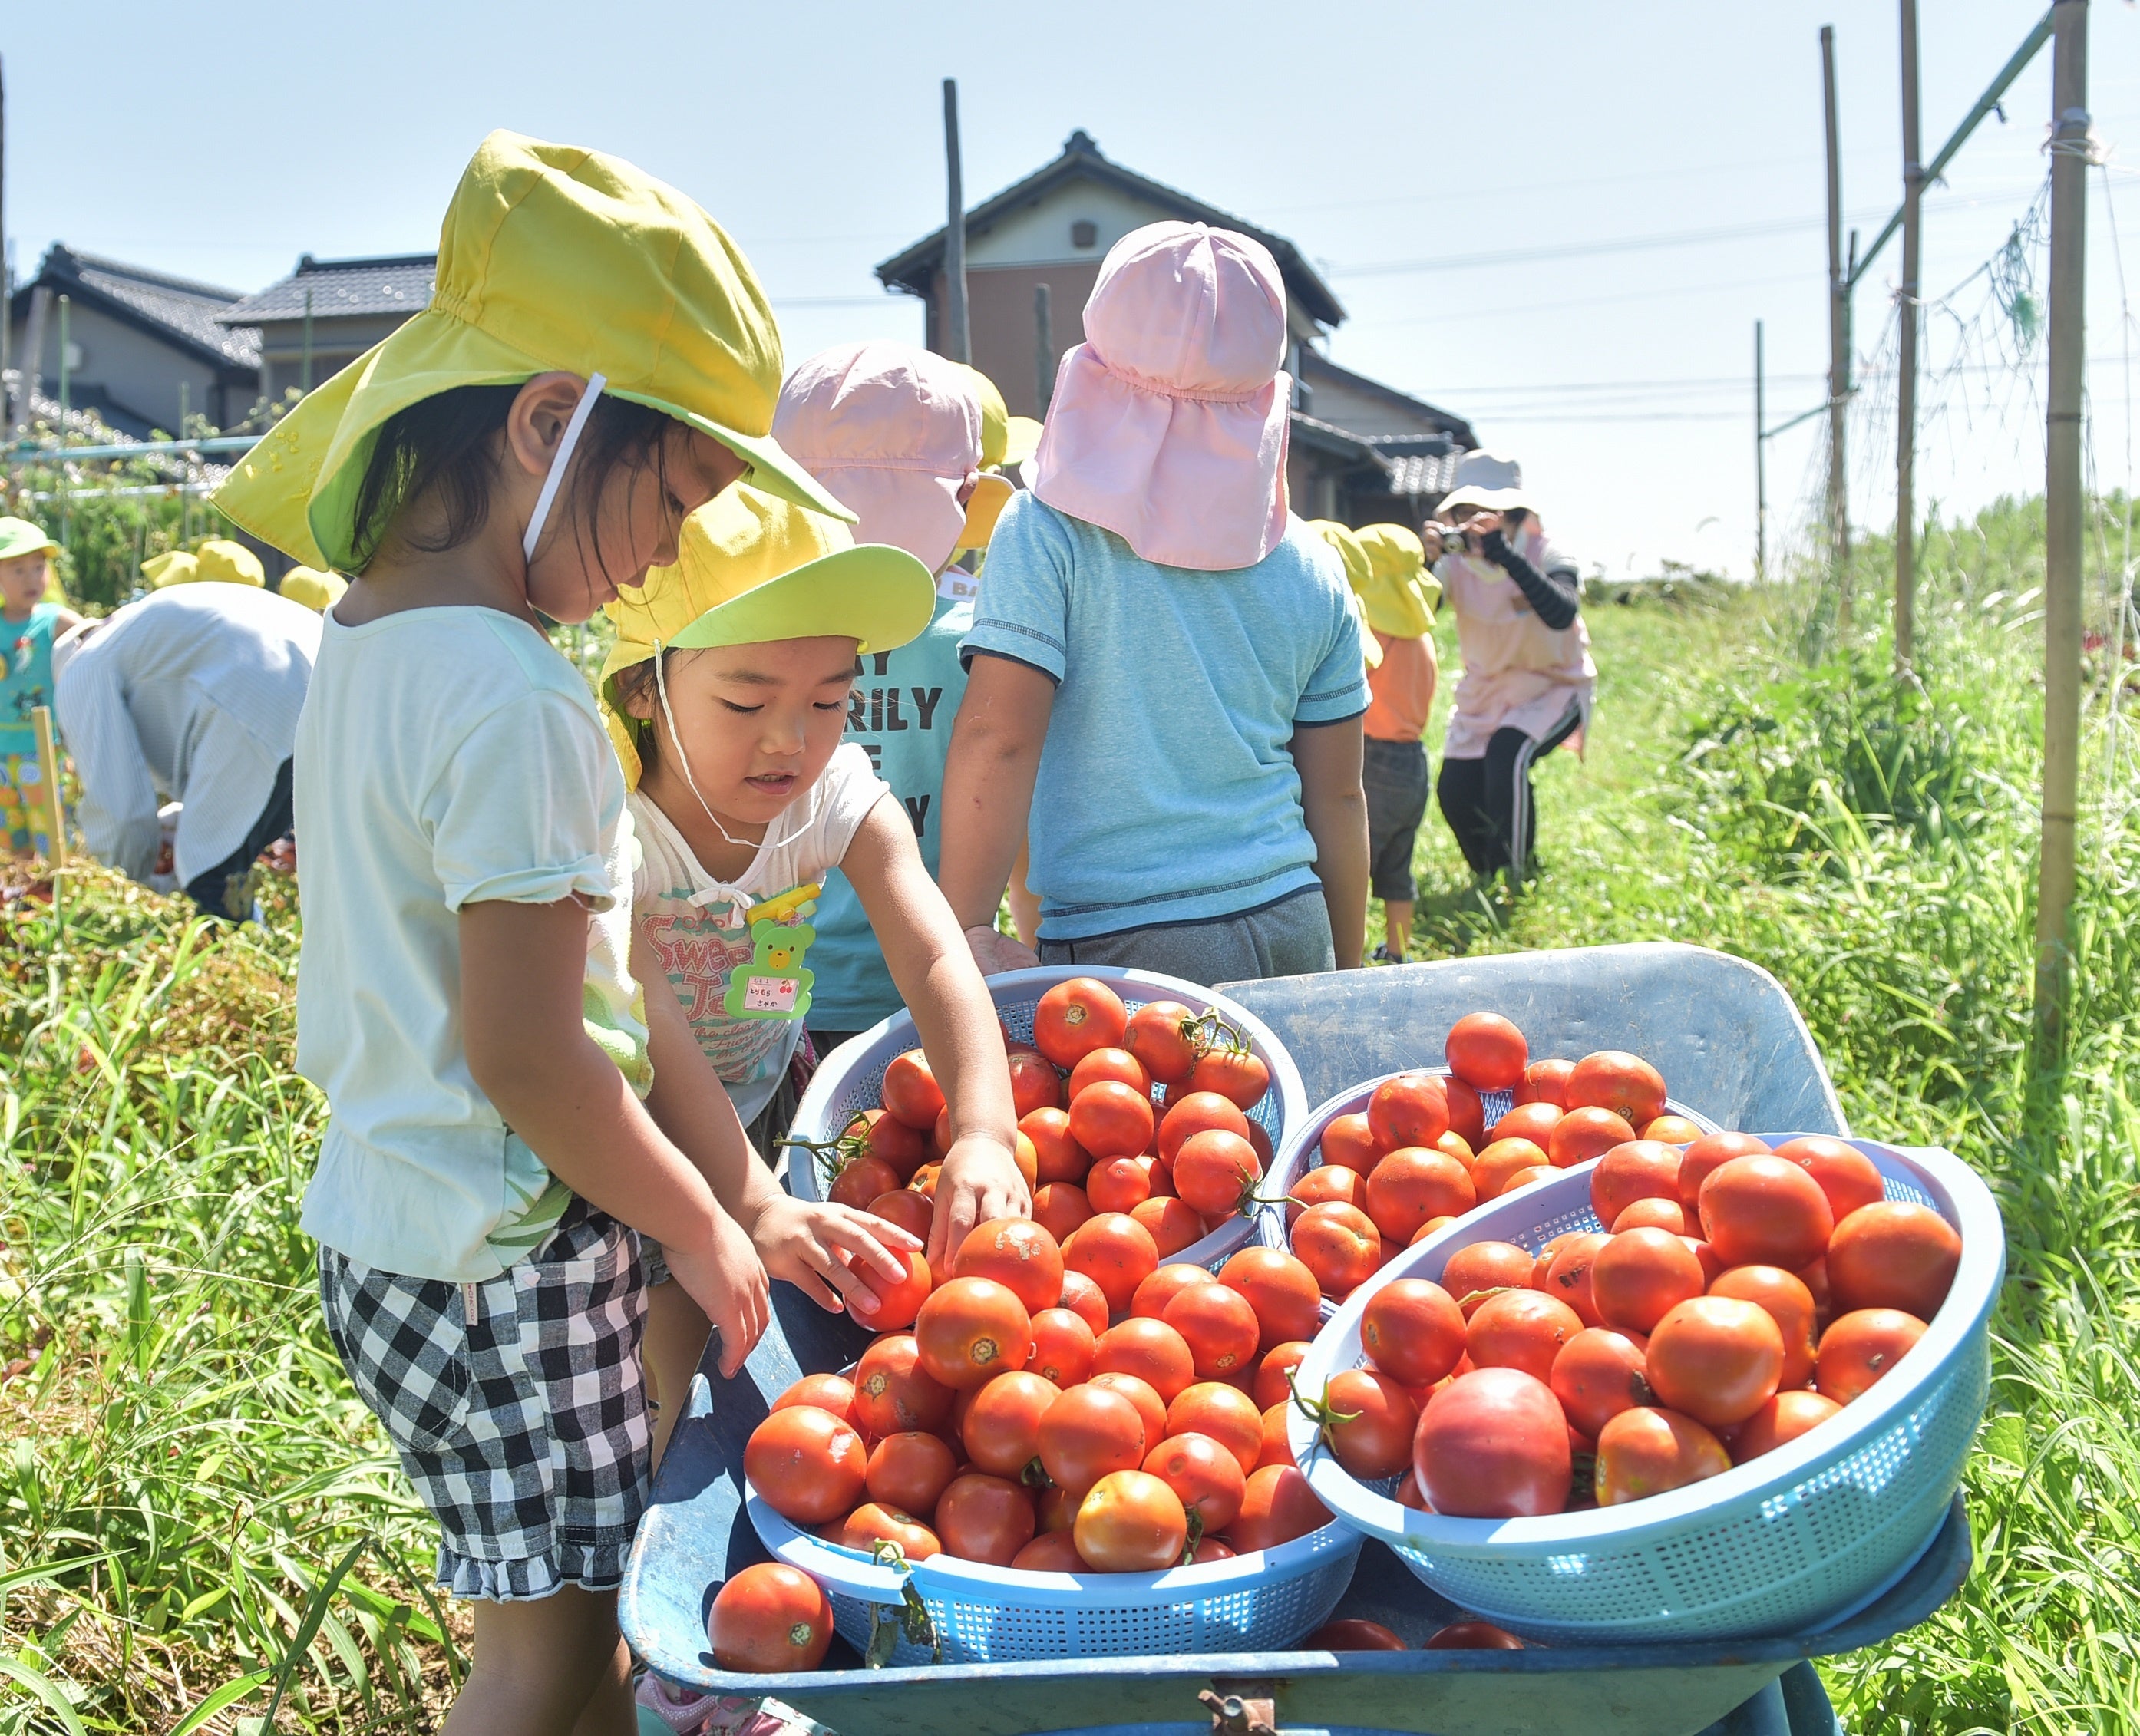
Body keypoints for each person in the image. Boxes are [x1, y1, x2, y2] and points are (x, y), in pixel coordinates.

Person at [210, 131, 900, 1736]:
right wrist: (694, 1226)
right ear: (545, 424)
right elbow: (528, 1056)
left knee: (570, 1642)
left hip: (408, 1227)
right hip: (505, 1257)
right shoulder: (520, 697)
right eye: (673, 502)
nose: (668, 559)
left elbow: (601, 991)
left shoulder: (376, 638)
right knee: (548, 1666)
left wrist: (739, 1189)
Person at [599, 484, 1024, 1473]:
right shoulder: (610, 819)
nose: (791, 738)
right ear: (640, 689)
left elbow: (931, 952)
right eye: (747, 702)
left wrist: (984, 1131)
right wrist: (747, 1202)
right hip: (620, 1132)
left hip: (753, 1105)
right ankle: (643, 1514)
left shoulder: (834, 792)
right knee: (654, 1351)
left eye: (831, 701)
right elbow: (650, 1023)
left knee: (720, 1343)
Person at [937, 221, 1369, 986]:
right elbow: (1336, 793)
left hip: (1123, 944)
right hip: (1292, 914)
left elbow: (1000, 738)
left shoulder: (1047, 532)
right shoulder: (1311, 560)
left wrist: (959, 933)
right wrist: (1345, 977)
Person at [764, 341, 1013, 1054]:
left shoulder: (746, 637)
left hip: (767, 977)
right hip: (936, 981)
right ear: (966, 498)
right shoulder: (982, 643)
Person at [51, 584, 318, 918]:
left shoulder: (81, 669)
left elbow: (121, 813)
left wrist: (123, 891)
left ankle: (242, 967)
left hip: (264, 707)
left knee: (209, 879)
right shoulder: (135, 628)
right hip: (326, 679)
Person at [1427, 451, 1593, 882]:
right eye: (1465, 513)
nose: (1475, 524)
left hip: (1555, 686)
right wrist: (1422, 563)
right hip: (1485, 691)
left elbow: (1562, 611)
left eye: (1488, 512)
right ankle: (1486, 874)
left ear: (1515, 513)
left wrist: (1508, 559)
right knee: (1454, 789)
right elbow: (1421, 612)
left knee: (1507, 755)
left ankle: (1514, 879)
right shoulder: (1454, 563)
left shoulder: (1548, 550)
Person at [1349, 523, 1442, 961]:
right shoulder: (1422, 636)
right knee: (1398, 866)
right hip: (1413, 760)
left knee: (1356, 864)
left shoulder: (1377, 636)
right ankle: (1398, 950)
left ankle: (1351, 950)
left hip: (1376, 758)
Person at [0, 518, 81, 858]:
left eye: (38, 566)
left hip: (46, 750)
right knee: (10, 838)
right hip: (2, 753)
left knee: (53, 837)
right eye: (17, 569)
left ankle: (58, 894)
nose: (32, 578)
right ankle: (23, 904)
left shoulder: (55, 622)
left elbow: (101, 643)